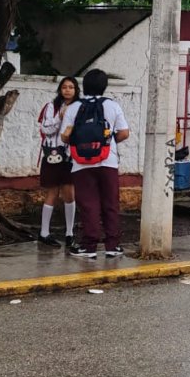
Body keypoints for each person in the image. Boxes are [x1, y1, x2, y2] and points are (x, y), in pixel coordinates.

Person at [61, 69, 130, 259]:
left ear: (84, 86)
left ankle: (89, 247)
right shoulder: (112, 106)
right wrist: (108, 142)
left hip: (81, 164)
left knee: (88, 204)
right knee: (110, 202)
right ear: (104, 86)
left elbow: (65, 136)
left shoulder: (74, 108)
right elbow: (124, 133)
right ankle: (112, 246)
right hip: (108, 161)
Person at [35, 76, 78, 247]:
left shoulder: (79, 107)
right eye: (64, 87)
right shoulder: (51, 107)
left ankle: (69, 233)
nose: (67, 90)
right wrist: (60, 117)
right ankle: (44, 233)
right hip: (52, 154)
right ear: (60, 89)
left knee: (70, 193)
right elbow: (45, 129)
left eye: (71, 87)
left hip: (70, 156)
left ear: (76, 90)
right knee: (52, 192)